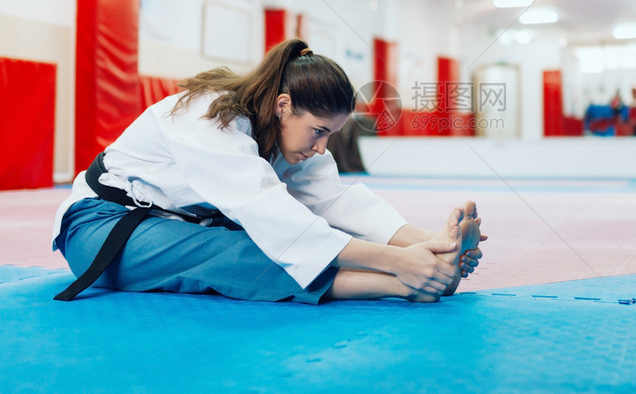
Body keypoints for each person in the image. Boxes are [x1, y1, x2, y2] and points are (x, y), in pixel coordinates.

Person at [52, 39, 484, 304]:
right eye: (318, 131)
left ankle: (416, 270)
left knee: (286, 236)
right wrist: (399, 263)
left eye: (330, 135)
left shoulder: (283, 135)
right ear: (283, 106)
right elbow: (272, 216)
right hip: (103, 232)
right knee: (248, 246)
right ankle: (403, 284)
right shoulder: (210, 118)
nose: (321, 147)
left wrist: (430, 242)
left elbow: (335, 200)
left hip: (169, 229)